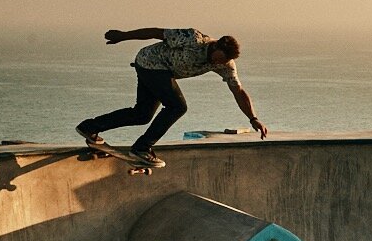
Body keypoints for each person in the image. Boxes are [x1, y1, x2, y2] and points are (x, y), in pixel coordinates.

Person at [76, 27, 268, 167]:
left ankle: (89, 127)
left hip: (159, 72)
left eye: (224, 61)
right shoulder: (192, 39)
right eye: (219, 57)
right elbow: (155, 32)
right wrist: (123, 36)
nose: (219, 63)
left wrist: (253, 118)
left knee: (142, 115)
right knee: (177, 106)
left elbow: (238, 91)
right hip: (150, 62)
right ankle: (142, 148)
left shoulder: (225, 65)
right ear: (215, 45)